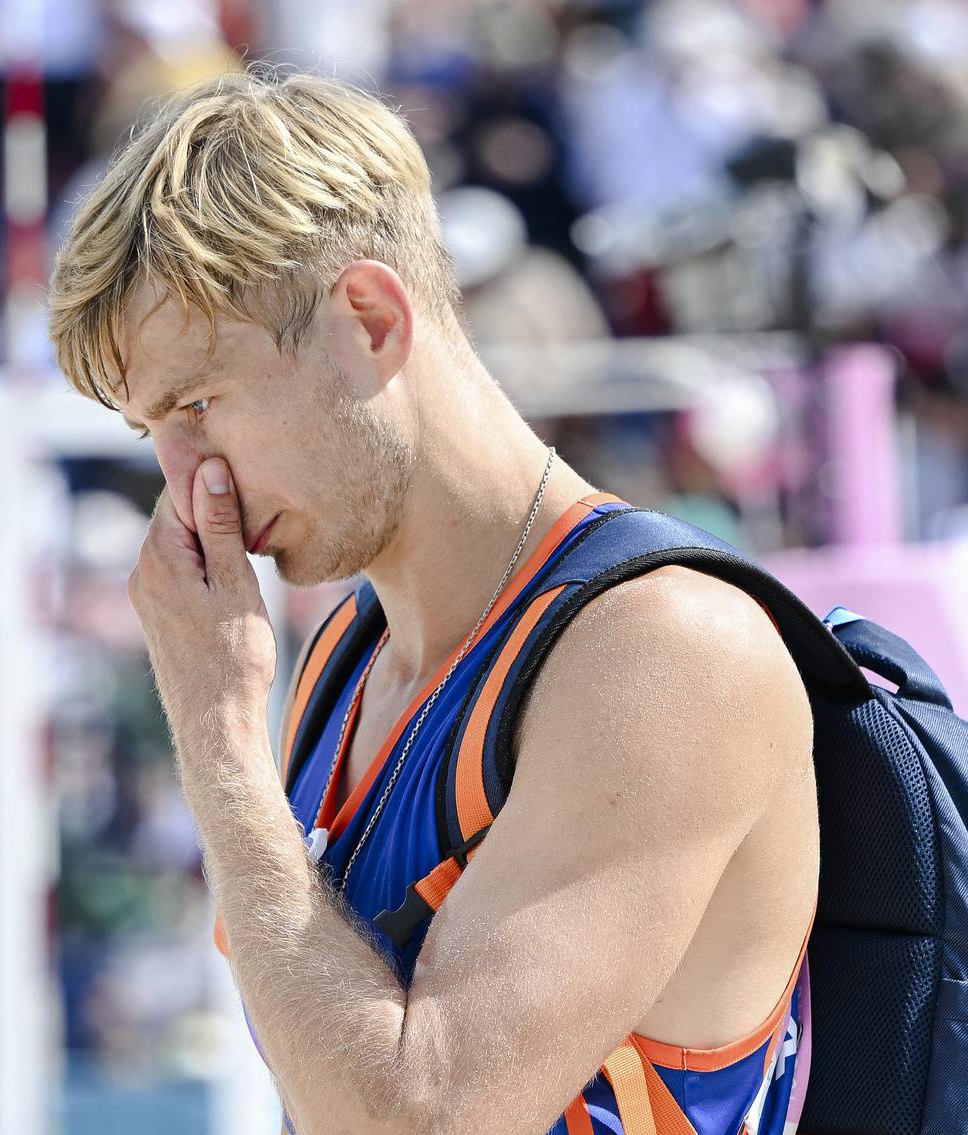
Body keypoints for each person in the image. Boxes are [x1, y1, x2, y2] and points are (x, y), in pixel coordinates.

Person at [47, 67, 818, 1135]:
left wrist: (218, 734)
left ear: (368, 319)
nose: (189, 488)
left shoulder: (667, 650)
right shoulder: (346, 662)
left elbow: (419, 1120)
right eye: (155, 436)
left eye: (202, 406)